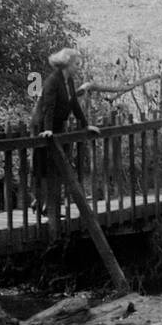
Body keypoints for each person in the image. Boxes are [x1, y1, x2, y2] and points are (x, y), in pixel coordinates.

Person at [30, 48, 100, 217]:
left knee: (58, 164)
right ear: (67, 64)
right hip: (43, 126)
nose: (78, 67)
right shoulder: (53, 81)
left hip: (57, 126)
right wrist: (47, 129)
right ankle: (40, 201)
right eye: (76, 64)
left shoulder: (68, 81)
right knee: (43, 165)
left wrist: (85, 125)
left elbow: (74, 103)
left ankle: (46, 204)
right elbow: (48, 106)